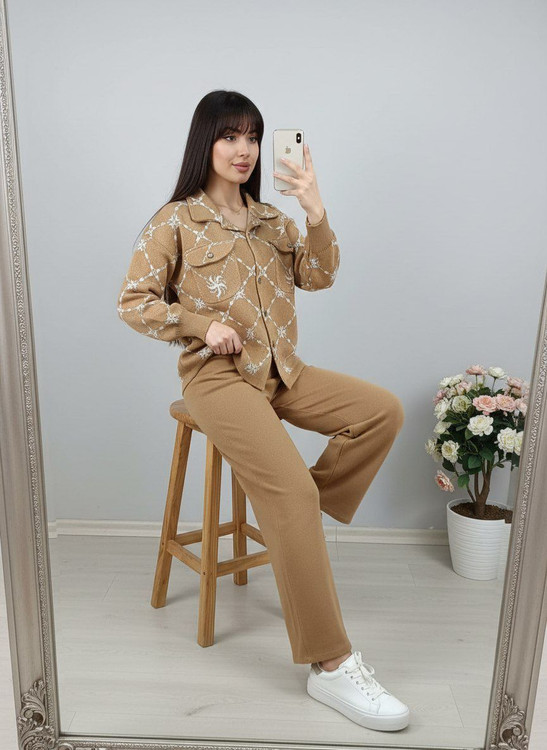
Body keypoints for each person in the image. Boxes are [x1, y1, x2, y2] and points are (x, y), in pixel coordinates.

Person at [117, 89, 409, 732]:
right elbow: (133, 302)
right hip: (217, 379)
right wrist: (201, 324)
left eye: (252, 136)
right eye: (230, 135)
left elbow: (320, 275)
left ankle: (294, 509)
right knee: (291, 496)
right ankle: (331, 666)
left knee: (382, 411)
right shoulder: (174, 220)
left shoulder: (273, 220)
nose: (244, 149)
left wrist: (315, 209)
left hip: (282, 373)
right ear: (206, 142)